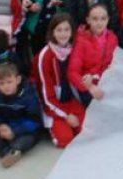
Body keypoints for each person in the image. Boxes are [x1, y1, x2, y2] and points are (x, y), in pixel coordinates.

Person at [34, 14, 85, 148]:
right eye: (59, 30)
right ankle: (56, 128)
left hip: (71, 101)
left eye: (67, 29)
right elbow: (46, 98)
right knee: (65, 140)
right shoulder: (45, 56)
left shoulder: (73, 49)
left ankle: (72, 124)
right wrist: (66, 116)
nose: (63, 34)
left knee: (87, 133)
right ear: (52, 32)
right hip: (53, 105)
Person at [0, 62, 42, 168]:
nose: (6, 87)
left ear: (18, 80)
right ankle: (9, 152)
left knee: (26, 140)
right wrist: (0, 125)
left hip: (23, 131)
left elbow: (35, 121)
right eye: (1, 83)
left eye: (9, 82)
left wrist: (15, 131)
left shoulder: (28, 95)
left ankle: (11, 149)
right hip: (6, 128)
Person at [68, 4, 118, 106]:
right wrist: (89, 87)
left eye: (103, 18)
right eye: (95, 19)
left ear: (108, 19)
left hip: (108, 83)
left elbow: (116, 63)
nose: (99, 23)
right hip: (88, 87)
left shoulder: (113, 38)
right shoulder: (81, 41)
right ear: (88, 20)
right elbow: (72, 72)